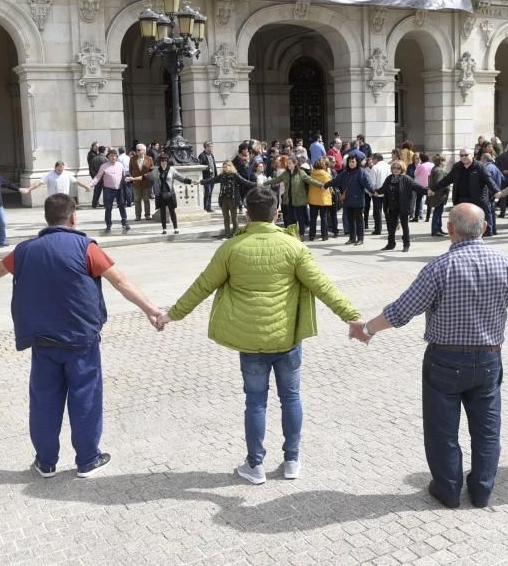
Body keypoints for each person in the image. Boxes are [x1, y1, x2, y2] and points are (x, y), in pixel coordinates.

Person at [351, 204, 508, 508]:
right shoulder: (506, 264)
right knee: (487, 430)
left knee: (442, 430)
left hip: (445, 360)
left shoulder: (439, 267)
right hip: (489, 359)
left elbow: (401, 312)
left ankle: (448, 489)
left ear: (450, 230)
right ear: (485, 229)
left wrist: (368, 329)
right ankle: (481, 491)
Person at [155, 186, 362, 484]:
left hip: (250, 342)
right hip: (287, 339)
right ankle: (291, 460)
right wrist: (351, 316)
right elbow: (323, 285)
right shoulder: (294, 248)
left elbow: (202, 286)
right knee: (291, 398)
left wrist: (171, 314)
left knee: (255, 402)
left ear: (247, 215)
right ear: (277, 213)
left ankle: (256, 465)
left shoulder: (231, 248)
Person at [0, 194, 165, 478]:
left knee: (44, 400)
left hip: (42, 340)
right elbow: (120, 281)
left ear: (47, 218)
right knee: (85, 396)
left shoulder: (25, 250)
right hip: (80, 340)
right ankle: (87, 459)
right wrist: (150, 309)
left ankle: (46, 462)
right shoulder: (86, 247)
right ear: (73, 217)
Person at [431, 148, 500, 236]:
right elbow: (447, 180)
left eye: (466, 155)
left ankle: (486, 232)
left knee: (479, 216)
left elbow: (488, 180)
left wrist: (496, 191)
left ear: (472, 155)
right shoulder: (457, 167)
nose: (464, 157)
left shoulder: (479, 166)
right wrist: (433, 188)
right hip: (461, 198)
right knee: (462, 219)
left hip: (477, 198)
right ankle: (464, 233)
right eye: (461, 155)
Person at [263, 155, 325, 240]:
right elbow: (276, 180)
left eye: (290, 163)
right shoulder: (286, 173)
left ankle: (302, 234)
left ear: (295, 164)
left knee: (300, 219)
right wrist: (264, 184)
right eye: (288, 163)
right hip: (288, 200)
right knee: (291, 219)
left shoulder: (300, 173)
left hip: (299, 200)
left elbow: (310, 180)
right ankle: (294, 235)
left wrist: (321, 185)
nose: (288, 165)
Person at [374, 160, 427, 252]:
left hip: (403, 206)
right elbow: (383, 189)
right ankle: (391, 244)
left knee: (405, 226)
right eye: (394, 168)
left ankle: (406, 244)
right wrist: (375, 191)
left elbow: (417, 187)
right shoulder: (389, 178)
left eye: (398, 168)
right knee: (391, 227)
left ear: (402, 169)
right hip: (391, 206)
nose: (395, 170)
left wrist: (428, 191)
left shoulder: (406, 179)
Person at [322, 153, 373, 246]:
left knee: (359, 221)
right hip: (348, 200)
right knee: (350, 220)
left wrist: (374, 191)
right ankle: (352, 238)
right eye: (350, 161)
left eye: (353, 161)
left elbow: (368, 184)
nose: (351, 163)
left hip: (358, 201)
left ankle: (360, 238)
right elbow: (336, 180)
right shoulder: (345, 172)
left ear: (357, 162)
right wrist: (327, 184)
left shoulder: (361, 172)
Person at [199, 161, 255, 239]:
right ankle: (227, 234)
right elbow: (212, 180)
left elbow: (245, 182)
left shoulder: (235, 175)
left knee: (234, 218)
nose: (225, 168)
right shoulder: (222, 176)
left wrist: (256, 184)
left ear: (230, 166)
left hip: (233, 199)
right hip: (224, 199)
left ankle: (235, 234)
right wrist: (201, 182)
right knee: (226, 218)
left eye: (226, 166)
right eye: (224, 167)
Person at [149, 154, 192, 235]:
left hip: (170, 194)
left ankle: (176, 228)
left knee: (172, 212)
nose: (164, 162)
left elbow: (181, 178)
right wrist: (133, 178)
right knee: (162, 212)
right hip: (161, 195)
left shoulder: (171, 170)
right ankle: (164, 229)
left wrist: (191, 181)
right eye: (162, 161)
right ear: (160, 162)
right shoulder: (156, 170)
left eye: (165, 161)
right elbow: (146, 176)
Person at [90, 150, 131, 235]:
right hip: (108, 190)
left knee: (122, 206)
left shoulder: (120, 165)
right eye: (111, 156)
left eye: (115, 156)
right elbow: (97, 177)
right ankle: (108, 225)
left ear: (117, 157)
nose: (113, 157)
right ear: (108, 157)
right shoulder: (104, 166)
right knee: (108, 208)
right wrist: (91, 184)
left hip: (119, 189)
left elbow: (123, 177)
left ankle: (125, 222)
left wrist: (128, 180)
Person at [307, 157, 333, 241]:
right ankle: (324, 235)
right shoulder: (326, 174)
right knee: (324, 218)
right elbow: (329, 186)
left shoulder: (311, 174)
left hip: (313, 198)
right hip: (323, 199)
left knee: (313, 218)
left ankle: (312, 235)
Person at [129, 143, 154, 221]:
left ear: (144, 150)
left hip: (146, 183)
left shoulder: (149, 159)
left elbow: (152, 170)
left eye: (139, 150)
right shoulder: (132, 159)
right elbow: (130, 170)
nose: (138, 151)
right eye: (137, 150)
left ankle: (147, 215)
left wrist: (148, 177)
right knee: (137, 200)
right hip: (136, 183)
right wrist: (133, 178)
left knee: (146, 199)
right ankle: (138, 216)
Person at [426, 154, 450, 237]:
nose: (445, 163)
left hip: (438, 195)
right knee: (438, 212)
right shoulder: (439, 170)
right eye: (444, 161)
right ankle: (436, 230)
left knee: (438, 212)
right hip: (439, 195)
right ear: (440, 161)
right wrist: (446, 187)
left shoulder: (435, 169)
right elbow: (439, 183)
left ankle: (438, 229)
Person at [369, 154, 390, 236]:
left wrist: (370, 193)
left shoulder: (375, 167)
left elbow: (372, 182)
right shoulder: (389, 166)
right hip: (388, 193)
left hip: (377, 193)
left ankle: (378, 229)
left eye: (372, 159)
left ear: (376, 159)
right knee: (388, 212)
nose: (372, 161)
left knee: (377, 212)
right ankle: (389, 228)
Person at [198, 141, 218, 213]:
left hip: (212, 177)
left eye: (211, 146)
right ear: (205, 147)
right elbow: (200, 166)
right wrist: (208, 169)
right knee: (207, 192)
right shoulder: (202, 155)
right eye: (210, 146)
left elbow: (214, 165)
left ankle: (209, 207)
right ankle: (205, 207)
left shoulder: (211, 155)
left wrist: (216, 174)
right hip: (206, 177)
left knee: (210, 192)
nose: (211, 148)